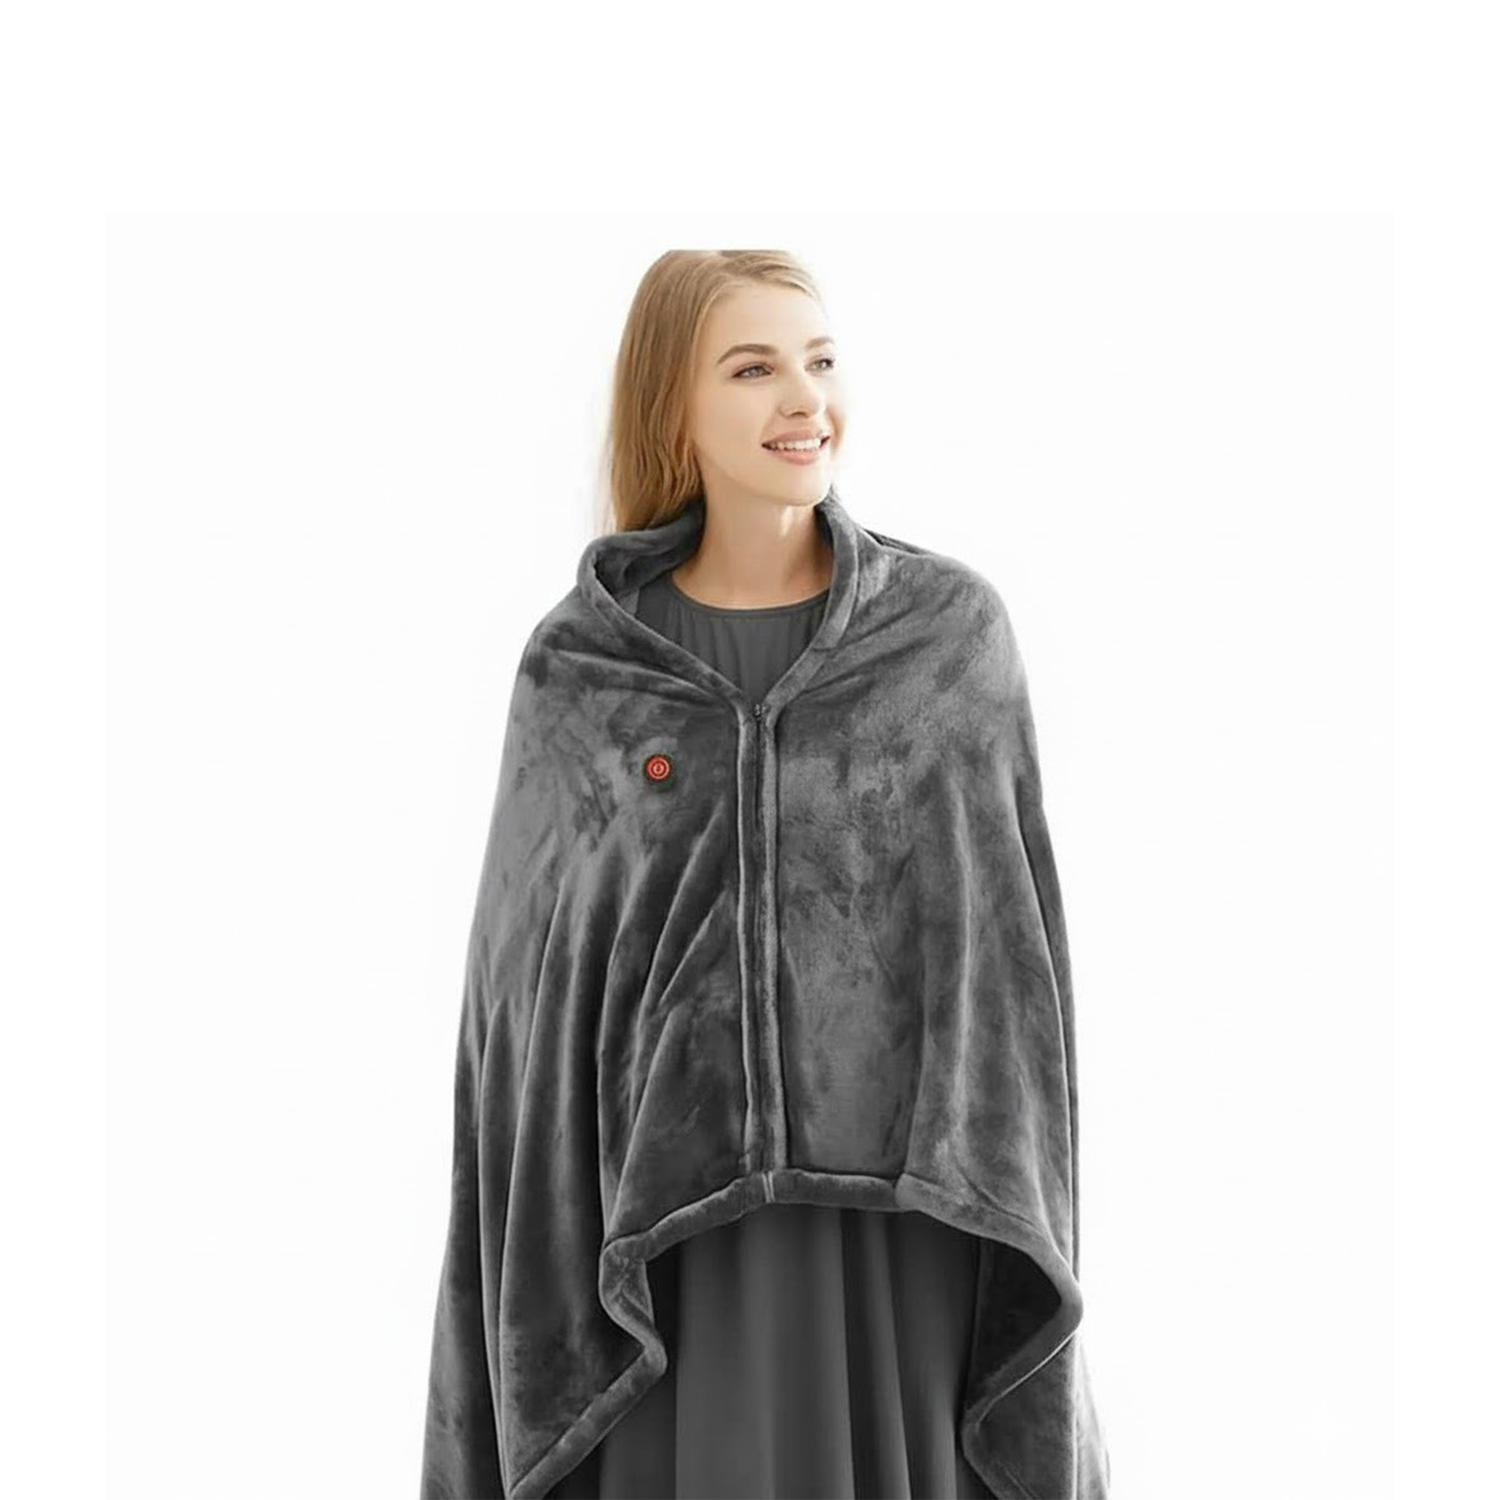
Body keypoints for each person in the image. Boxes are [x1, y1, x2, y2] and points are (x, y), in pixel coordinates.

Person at [421, 250, 1110, 1500]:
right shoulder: (583, 671)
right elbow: (518, 1021)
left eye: (821, 361)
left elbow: (1017, 990)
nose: (805, 399)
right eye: (754, 369)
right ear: (673, 405)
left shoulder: (946, 641)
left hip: (902, 1237)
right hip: (662, 1266)